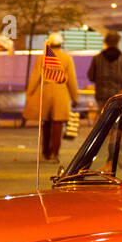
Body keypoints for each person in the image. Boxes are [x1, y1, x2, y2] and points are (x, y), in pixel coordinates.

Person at [24, 31, 79, 162]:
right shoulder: (67, 58)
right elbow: (71, 80)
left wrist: (29, 93)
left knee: (46, 123)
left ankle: (46, 152)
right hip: (61, 93)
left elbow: (35, 77)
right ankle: (54, 152)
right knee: (58, 124)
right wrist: (75, 97)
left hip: (45, 92)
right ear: (61, 44)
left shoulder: (43, 58)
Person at [88, 31, 122, 106]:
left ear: (106, 42)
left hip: (102, 97)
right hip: (119, 97)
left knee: (104, 116)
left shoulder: (97, 58)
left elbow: (91, 77)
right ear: (118, 42)